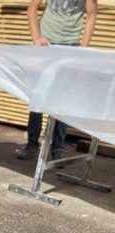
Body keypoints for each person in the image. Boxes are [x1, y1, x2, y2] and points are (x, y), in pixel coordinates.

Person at [16, 0, 98, 160]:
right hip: (46, 43)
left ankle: (57, 148)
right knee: (38, 94)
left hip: (70, 45)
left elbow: (91, 16)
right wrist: (36, 37)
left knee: (62, 98)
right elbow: (32, 8)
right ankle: (32, 143)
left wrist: (83, 49)